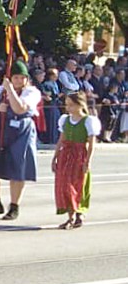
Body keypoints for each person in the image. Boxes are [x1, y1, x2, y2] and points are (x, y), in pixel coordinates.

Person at [0, 61, 41, 220]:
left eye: (21, 78)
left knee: (18, 167)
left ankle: (14, 206)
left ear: (26, 79)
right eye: (15, 77)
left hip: (21, 131)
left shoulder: (31, 92)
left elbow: (19, 109)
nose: (18, 80)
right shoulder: (0, 90)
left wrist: (10, 89)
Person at [52, 91, 98, 230]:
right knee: (64, 186)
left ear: (80, 105)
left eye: (71, 105)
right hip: (65, 155)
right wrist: (55, 157)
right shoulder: (65, 119)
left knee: (78, 185)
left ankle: (79, 213)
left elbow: (91, 143)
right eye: (67, 105)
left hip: (79, 156)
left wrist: (88, 161)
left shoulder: (88, 121)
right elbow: (61, 140)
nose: (68, 108)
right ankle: (70, 216)